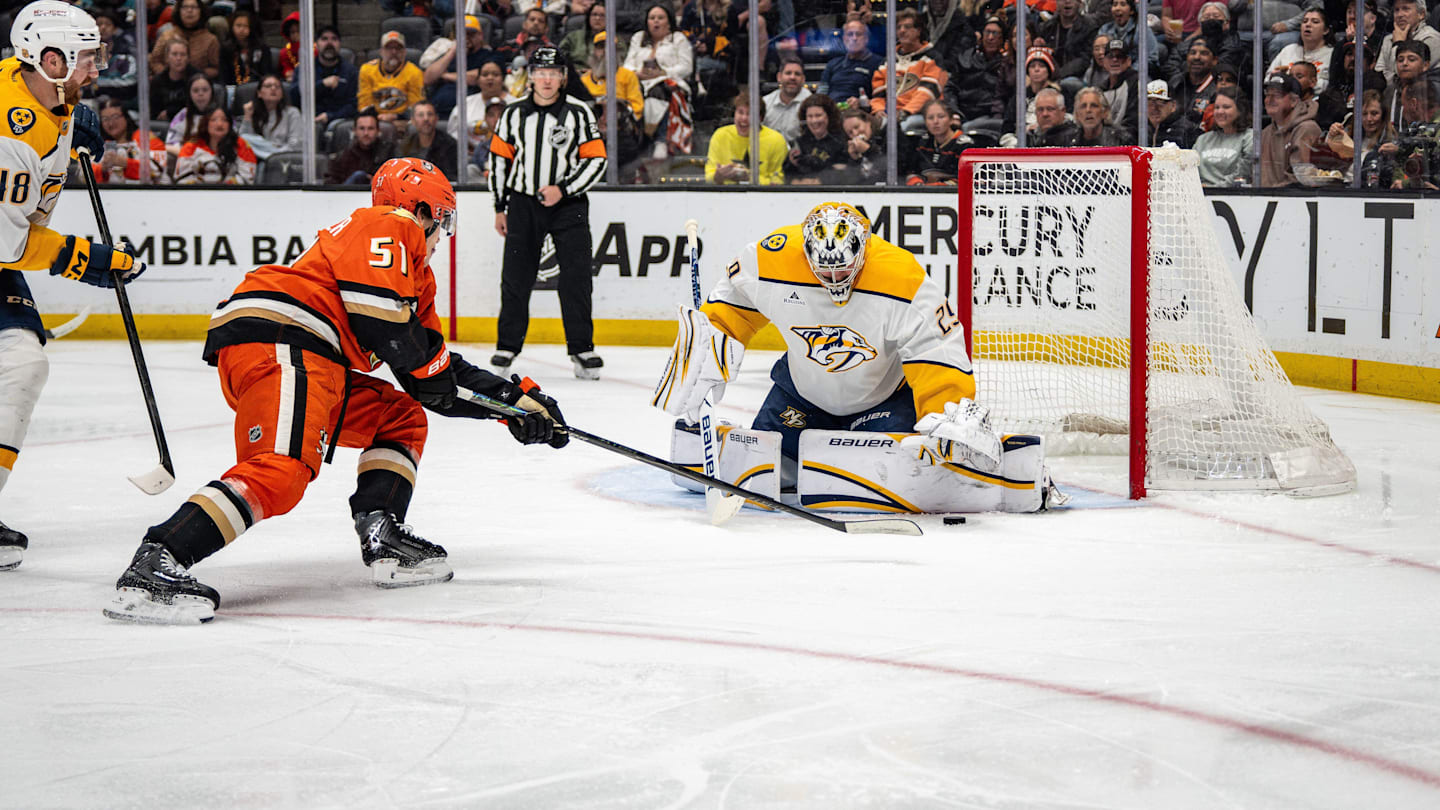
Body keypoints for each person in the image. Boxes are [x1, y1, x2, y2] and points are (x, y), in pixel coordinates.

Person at [102, 159, 569, 624]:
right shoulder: (392, 224)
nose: (440, 234)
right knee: (282, 473)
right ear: (420, 209)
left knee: (400, 417)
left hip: (311, 356)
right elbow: (394, 334)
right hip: (285, 340)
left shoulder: (414, 277)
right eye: (441, 220)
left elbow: (430, 376)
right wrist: (477, 395)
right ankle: (158, 559)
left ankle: (382, 531)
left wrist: (510, 405)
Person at [650, 202, 1001, 492]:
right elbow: (730, 300)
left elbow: (936, 347)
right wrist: (705, 355)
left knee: (879, 475)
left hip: (883, 401)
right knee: (762, 470)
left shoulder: (901, 277)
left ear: (864, 248)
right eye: (824, 271)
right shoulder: (769, 258)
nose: (834, 279)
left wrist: (944, 411)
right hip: (801, 396)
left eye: (843, 268)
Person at [1, 2, 146, 570]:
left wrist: (68, 124)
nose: (97, 68)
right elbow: (10, 244)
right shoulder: (10, 133)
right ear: (50, 57)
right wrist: (86, 260)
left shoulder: (38, 88)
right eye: (87, 57)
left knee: (21, 362)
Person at [487, 48, 608, 380]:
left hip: (568, 206)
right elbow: (498, 162)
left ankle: (582, 348)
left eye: (553, 73)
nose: (547, 79)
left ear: (563, 77)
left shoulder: (579, 113)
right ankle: (507, 346)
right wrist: (500, 205)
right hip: (523, 203)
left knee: (576, 276)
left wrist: (564, 189)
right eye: (541, 72)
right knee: (516, 276)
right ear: (531, 76)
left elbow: (597, 160)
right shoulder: (512, 115)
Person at [870, 9, 948, 130]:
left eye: (907, 27)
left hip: (920, 113)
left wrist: (904, 112)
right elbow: (878, 92)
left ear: (918, 31)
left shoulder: (932, 58)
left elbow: (927, 93)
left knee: (901, 127)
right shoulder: (888, 60)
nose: (902, 31)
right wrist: (879, 110)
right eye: (898, 27)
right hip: (890, 114)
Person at [705, 94, 787, 184]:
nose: (744, 118)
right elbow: (708, 177)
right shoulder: (720, 135)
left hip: (762, 196)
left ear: (760, 118)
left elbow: (778, 181)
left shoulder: (776, 140)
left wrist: (749, 178)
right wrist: (718, 176)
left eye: (750, 114)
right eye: (740, 112)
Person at [425, 16, 495, 120]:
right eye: (462, 34)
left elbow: (477, 77)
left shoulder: (488, 55)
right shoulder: (449, 56)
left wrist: (445, 75)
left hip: (469, 112)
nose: (466, 38)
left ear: (480, 36)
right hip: (438, 111)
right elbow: (427, 78)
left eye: (471, 34)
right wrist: (452, 52)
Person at [1259, 73, 1322, 187]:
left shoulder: (1306, 129)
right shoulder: (1265, 133)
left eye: (1277, 95)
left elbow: (1302, 179)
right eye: (1267, 94)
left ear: (1294, 101)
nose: (1270, 99)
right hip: (1265, 200)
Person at [174, 107, 258, 185]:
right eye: (214, 120)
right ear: (206, 123)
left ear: (230, 124)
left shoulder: (241, 144)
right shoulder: (191, 146)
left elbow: (247, 177)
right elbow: (182, 178)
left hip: (232, 194)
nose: (219, 124)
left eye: (224, 120)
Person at [297, 27, 360, 129]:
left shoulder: (351, 71)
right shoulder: (304, 69)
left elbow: (353, 105)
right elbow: (295, 96)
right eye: (324, 39)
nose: (329, 43)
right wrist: (322, 85)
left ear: (340, 44)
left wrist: (330, 116)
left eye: (334, 39)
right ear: (316, 44)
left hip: (339, 121)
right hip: (309, 118)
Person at [1325, 89, 1393, 183]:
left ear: (1383, 115)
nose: (1369, 119)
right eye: (1364, 114)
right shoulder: (1350, 135)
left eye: (1374, 113)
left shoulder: (1389, 143)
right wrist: (1332, 135)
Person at [94, 99, 168, 184]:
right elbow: (82, 176)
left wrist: (124, 163)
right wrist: (102, 169)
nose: (110, 123)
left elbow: (158, 170)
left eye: (115, 117)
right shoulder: (96, 145)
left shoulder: (146, 138)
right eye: (105, 119)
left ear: (126, 117)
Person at [360, 31, 426, 124]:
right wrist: (379, 118)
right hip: (374, 120)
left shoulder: (414, 72)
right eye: (389, 48)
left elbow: (416, 108)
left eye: (398, 48)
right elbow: (364, 105)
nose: (394, 52)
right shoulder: (366, 70)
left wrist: (395, 116)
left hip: (403, 121)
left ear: (404, 52)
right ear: (381, 52)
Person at [818, 18, 883, 111]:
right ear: (844, 39)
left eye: (858, 34)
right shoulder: (833, 64)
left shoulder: (879, 63)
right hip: (832, 113)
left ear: (866, 39)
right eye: (850, 34)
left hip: (861, 114)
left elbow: (882, 99)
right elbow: (821, 94)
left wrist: (862, 103)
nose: (854, 38)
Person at [148, 0, 221, 81]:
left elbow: (215, 68)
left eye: (194, 7)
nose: (189, 10)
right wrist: (169, 75)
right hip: (169, 84)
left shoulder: (211, 39)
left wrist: (195, 76)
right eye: (185, 7)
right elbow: (154, 61)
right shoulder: (167, 36)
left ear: (201, 11)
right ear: (179, 11)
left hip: (199, 86)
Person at [1193, 86, 1253, 185]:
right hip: (1199, 195)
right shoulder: (1202, 140)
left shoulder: (1249, 138)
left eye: (1226, 107)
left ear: (1240, 110)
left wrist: (1214, 190)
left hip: (1231, 195)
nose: (1220, 112)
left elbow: (1242, 174)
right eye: (1217, 107)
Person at [1266, 9, 1334, 94]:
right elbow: (1267, 79)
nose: (1308, 24)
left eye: (1315, 22)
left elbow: (1331, 85)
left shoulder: (1332, 54)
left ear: (1326, 30)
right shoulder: (1288, 50)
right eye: (1304, 21)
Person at [901, 99, 969, 184]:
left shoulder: (965, 145)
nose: (935, 122)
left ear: (951, 120)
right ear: (925, 122)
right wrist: (917, 184)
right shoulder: (922, 143)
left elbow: (968, 180)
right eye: (930, 118)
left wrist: (936, 187)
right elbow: (912, 172)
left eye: (941, 116)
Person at [1043, 0, 1100, 97]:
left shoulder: (1090, 27)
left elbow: (1085, 59)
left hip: (1078, 77)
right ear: (1056, 3)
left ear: (1079, 3)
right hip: (1051, 76)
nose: (1067, 2)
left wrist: (1060, 75)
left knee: (1067, 84)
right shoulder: (1048, 27)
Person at [1377, 0, 1440, 85]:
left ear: (1421, 14)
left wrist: (1398, 44)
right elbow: (1379, 73)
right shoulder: (1388, 39)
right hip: (1391, 94)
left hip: (1423, 93)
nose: (1399, 15)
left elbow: (1404, 75)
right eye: (1396, 10)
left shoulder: (1432, 38)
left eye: (1405, 9)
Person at [239, 73, 304, 155]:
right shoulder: (253, 112)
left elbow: (296, 145)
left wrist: (273, 155)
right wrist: (247, 116)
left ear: (282, 94)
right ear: (259, 93)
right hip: (257, 158)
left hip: (283, 158)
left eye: (277, 86)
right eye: (268, 86)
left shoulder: (292, 113)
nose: (273, 88)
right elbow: (243, 142)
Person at [786, 94, 846, 184]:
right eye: (810, 116)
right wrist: (792, 163)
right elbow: (788, 175)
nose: (814, 121)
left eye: (818, 115)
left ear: (829, 116)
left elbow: (845, 173)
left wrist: (819, 180)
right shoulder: (800, 142)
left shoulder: (841, 142)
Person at [582, 32, 643, 119]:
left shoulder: (628, 75)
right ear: (594, 51)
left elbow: (637, 107)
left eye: (609, 47)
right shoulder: (584, 79)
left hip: (619, 124)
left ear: (616, 51)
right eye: (601, 47)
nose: (605, 51)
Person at [327, 109, 396, 185]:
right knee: (359, 176)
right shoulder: (344, 156)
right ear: (354, 131)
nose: (366, 133)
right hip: (349, 195)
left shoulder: (390, 154)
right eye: (362, 128)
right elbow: (330, 183)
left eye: (370, 128)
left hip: (381, 193)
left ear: (378, 131)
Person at [397, 101, 459, 180]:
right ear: (412, 121)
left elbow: (451, 177)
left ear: (436, 119)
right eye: (421, 115)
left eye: (430, 114)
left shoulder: (449, 145)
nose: (426, 119)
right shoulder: (405, 145)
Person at [165, 73, 220, 157]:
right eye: (195, 90)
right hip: (186, 160)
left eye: (205, 90)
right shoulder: (182, 116)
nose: (200, 94)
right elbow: (170, 144)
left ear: (212, 92)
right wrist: (189, 154)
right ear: (189, 94)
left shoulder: (222, 115)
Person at [1167, 36, 1218, 123]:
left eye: (1204, 53)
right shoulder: (1175, 82)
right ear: (1187, 58)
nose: (1197, 57)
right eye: (1192, 52)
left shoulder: (1217, 89)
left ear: (1214, 60)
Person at [763, 55, 813, 144]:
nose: (792, 77)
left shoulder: (812, 104)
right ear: (779, 77)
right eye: (788, 73)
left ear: (803, 79)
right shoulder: (766, 102)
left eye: (797, 74)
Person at [1100, 38, 1140, 143]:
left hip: (1128, 140)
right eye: (1110, 56)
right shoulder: (1100, 88)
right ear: (1104, 62)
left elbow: (1133, 123)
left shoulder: (1136, 82)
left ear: (1128, 61)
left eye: (1120, 56)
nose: (1115, 60)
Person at [93, 9, 138, 101]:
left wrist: (98, 81)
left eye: (108, 24)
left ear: (115, 29)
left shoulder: (124, 54)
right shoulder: (86, 53)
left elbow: (130, 81)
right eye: (99, 24)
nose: (103, 28)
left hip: (120, 100)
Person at [221, 9, 273, 86]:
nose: (242, 29)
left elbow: (266, 72)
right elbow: (223, 75)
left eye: (245, 26)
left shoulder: (262, 47)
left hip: (258, 87)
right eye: (238, 25)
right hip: (233, 88)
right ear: (232, 27)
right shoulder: (225, 48)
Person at [150, 39, 198, 120]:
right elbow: (154, 112)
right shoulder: (157, 81)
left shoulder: (197, 79)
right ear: (167, 58)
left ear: (188, 58)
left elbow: (197, 106)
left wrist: (171, 112)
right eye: (174, 54)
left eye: (183, 54)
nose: (178, 58)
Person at [1146, 79, 1202, 147]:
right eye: (1149, 102)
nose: (1154, 108)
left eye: (1160, 102)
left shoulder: (1187, 131)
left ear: (1173, 106)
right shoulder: (1142, 130)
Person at [837, 108, 885, 184]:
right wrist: (855, 159)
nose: (855, 133)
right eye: (850, 132)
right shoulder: (849, 147)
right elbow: (850, 183)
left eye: (857, 127)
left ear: (868, 122)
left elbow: (894, 169)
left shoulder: (888, 135)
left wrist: (868, 151)